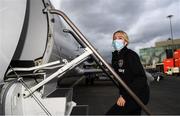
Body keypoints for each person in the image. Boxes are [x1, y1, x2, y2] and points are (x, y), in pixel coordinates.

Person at [106, 30, 150, 115]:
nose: (116, 40)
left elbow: (140, 78)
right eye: (114, 38)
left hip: (137, 95)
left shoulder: (131, 55)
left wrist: (125, 96)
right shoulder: (116, 57)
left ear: (125, 42)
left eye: (120, 38)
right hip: (128, 94)